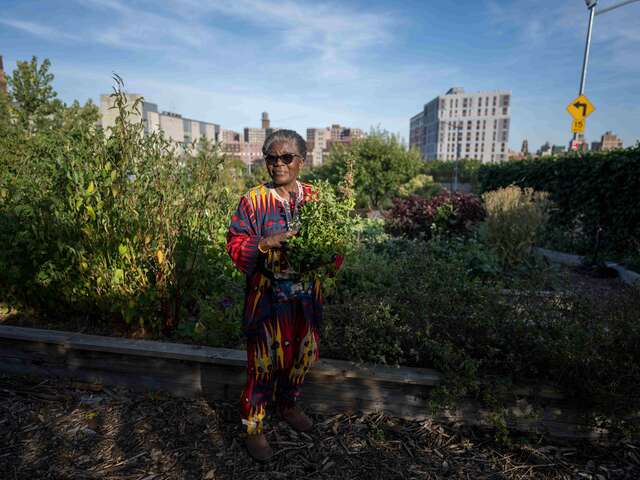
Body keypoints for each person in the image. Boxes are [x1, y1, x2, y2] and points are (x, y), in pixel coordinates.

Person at [226, 129, 341, 462]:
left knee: (302, 356)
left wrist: (328, 258)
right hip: (268, 299)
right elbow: (235, 245)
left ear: (301, 162)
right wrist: (264, 243)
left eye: (286, 157)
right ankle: (254, 428)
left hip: (306, 300)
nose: (278, 164)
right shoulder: (253, 200)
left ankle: (288, 405)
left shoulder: (316, 199)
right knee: (262, 364)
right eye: (271, 158)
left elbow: (336, 245)